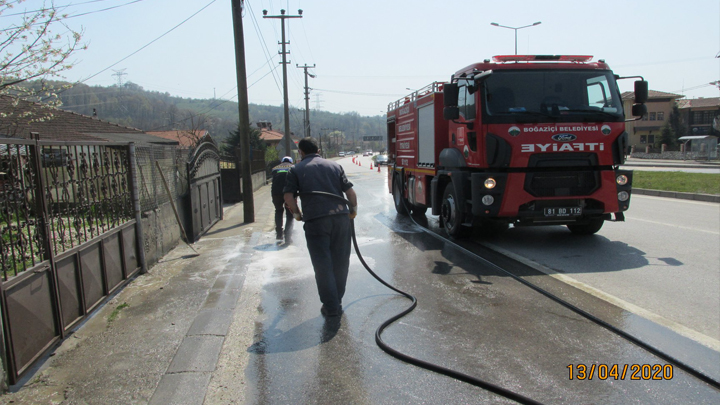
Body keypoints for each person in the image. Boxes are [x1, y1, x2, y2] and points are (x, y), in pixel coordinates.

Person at [283, 137, 357, 317]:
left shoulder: (295, 169)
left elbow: (288, 196)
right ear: (318, 149)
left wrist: (297, 214)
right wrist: (352, 211)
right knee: (341, 261)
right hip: (340, 218)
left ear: (301, 152)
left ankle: (331, 306)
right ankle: (337, 299)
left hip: (316, 221)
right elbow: (350, 192)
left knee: (322, 264)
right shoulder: (334, 166)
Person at [271, 156, 295, 242]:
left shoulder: (274, 168)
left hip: (276, 193)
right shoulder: (293, 168)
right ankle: (288, 236)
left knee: (278, 211)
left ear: (281, 162)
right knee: (290, 214)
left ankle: (279, 233)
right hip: (288, 192)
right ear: (291, 162)